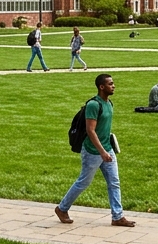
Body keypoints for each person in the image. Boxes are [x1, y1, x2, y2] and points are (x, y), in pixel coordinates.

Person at [54, 74, 134, 227]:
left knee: (114, 182)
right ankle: (61, 208)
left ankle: (117, 216)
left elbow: (104, 128)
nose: (114, 86)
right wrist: (102, 152)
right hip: (92, 150)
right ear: (101, 87)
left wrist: (108, 148)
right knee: (84, 182)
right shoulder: (93, 105)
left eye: (113, 83)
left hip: (107, 149)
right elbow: (90, 131)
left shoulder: (109, 103)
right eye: (110, 84)